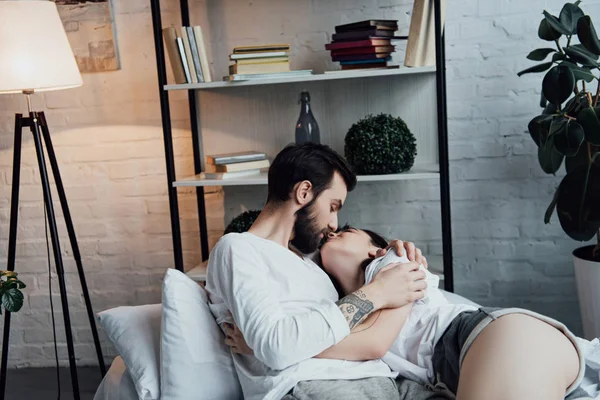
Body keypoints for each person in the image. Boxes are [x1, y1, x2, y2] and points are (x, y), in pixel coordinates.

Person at [205, 143, 434, 400]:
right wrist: (376, 292)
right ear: (304, 192)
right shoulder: (238, 248)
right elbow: (276, 347)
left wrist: (394, 252)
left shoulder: (311, 261)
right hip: (317, 386)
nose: (334, 223)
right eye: (333, 206)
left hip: (385, 379)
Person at [314, 226, 588, 400]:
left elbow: (373, 342)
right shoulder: (352, 307)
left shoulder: (393, 261)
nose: (332, 231)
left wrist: (292, 343)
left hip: (490, 338)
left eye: (346, 230)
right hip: (489, 361)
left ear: (376, 247)